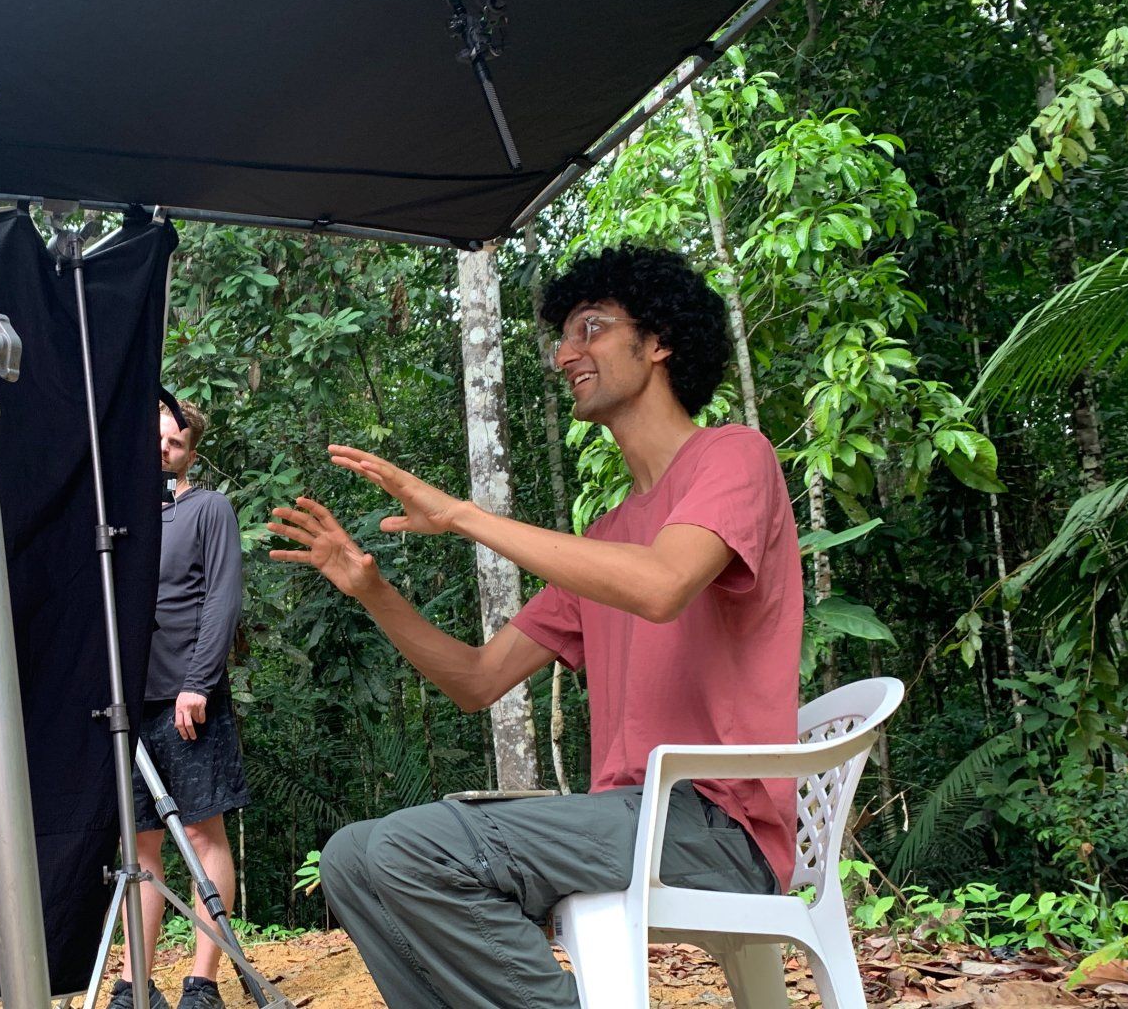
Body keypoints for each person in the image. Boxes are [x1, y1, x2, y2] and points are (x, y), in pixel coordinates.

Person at [267, 246, 801, 1008]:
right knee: (352, 855)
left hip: (715, 827)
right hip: (628, 821)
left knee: (414, 850)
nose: (565, 354)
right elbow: (478, 681)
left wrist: (462, 515)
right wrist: (372, 589)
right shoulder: (610, 533)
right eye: (564, 336)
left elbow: (662, 586)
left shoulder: (733, 457)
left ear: (660, 342)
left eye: (592, 329)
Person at [108, 400, 249, 1009]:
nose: (164, 450)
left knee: (201, 832)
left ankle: (203, 981)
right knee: (140, 846)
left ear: (191, 453)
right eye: (156, 439)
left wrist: (198, 682)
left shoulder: (208, 509)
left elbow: (221, 598)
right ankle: (136, 983)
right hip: (126, 705)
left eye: (177, 443)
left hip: (189, 698)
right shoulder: (118, 518)